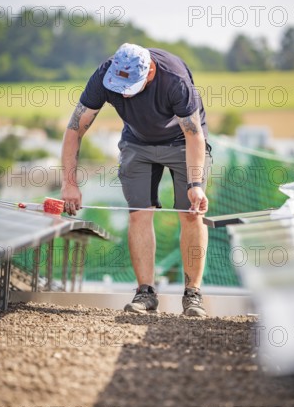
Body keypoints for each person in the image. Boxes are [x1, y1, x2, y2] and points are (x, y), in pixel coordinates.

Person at [61, 43, 212, 317]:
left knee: (190, 214)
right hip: (137, 143)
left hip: (182, 142)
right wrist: (70, 183)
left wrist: (196, 186)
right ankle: (145, 292)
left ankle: (193, 295)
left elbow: (193, 136)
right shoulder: (105, 76)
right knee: (139, 214)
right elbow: (74, 130)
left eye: (132, 86)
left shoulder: (174, 79)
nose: (125, 93)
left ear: (150, 70)